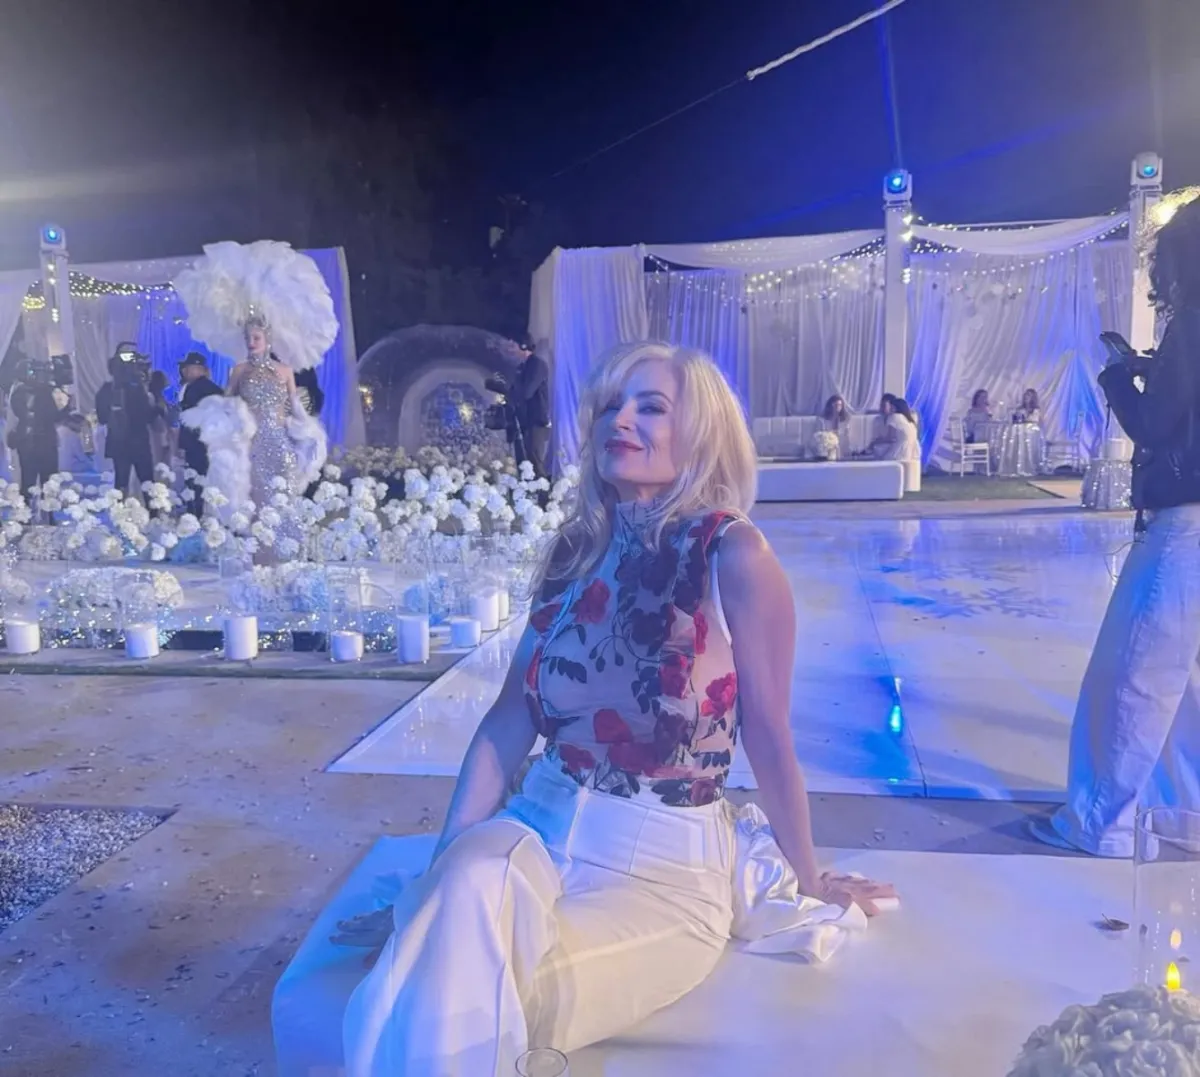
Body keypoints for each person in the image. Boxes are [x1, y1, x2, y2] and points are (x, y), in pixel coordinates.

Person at [337, 342, 894, 1075]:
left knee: (466, 992)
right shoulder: (576, 549)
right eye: (609, 406)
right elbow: (509, 719)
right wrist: (432, 882)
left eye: (650, 407)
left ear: (702, 431)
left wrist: (808, 876)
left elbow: (769, 735)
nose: (619, 420)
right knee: (467, 883)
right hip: (531, 826)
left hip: (659, 873)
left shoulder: (733, 555)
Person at [1032, 196, 1200, 858]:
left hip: (1185, 524)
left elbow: (1156, 425)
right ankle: (1181, 815)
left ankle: (1100, 823)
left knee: (1134, 673)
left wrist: (1117, 379)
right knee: (1184, 688)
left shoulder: (1194, 321)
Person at [95, 345, 160, 498]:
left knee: (121, 483)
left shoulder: (105, 390)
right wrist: (158, 408)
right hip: (139, 442)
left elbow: (102, 418)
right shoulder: (137, 389)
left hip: (118, 443)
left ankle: (120, 511)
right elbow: (147, 416)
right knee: (147, 483)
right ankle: (152, 510)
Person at [7, 370, 63, 497]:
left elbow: (18, 414)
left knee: (28, 481)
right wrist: (65, 409)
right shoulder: (44, 392)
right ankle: (46, 508)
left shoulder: (18, 392)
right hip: (44, 441)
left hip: (27, 441)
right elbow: (53, 416)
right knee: (48, 483)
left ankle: (27, 507)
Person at [177, 353, 222, 503]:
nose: (185, 371)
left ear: (199, 369)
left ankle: (196, 509)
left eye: (188, 368)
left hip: (198, 442)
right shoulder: (200, 387)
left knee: (197, 478)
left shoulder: (201, 388)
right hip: (201, 441)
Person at [512, 337, 551, 477]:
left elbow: (528, 391)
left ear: (524, 346)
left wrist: (515, 391)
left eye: (514, 346)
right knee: (527, 458)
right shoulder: (524, 366)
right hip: (526, 419)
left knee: (535, 459)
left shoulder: (537, 365)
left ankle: (542, 487)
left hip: (536, 419)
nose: (512, 350)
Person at [871, 393, 920, 463]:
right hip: (912, 454)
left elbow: (890, 438)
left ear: (895, 408)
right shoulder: (910, 420)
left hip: (899, 453)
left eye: (891, 407)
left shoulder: (894, 417)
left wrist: (874, 442)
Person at [148, 369, 175, 472]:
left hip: (163, 434)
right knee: (157, 463)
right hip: (155, 435)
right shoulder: (151, 397)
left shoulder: (162, 398)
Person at [820, 393, 852, 459]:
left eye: (840, 405)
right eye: (835, 405)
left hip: (842, 447)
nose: (838, 407)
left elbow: (846, 435)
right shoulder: (822, 420)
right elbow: (822, 435)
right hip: (828, 449)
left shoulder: (846, 419)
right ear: (830, 406)